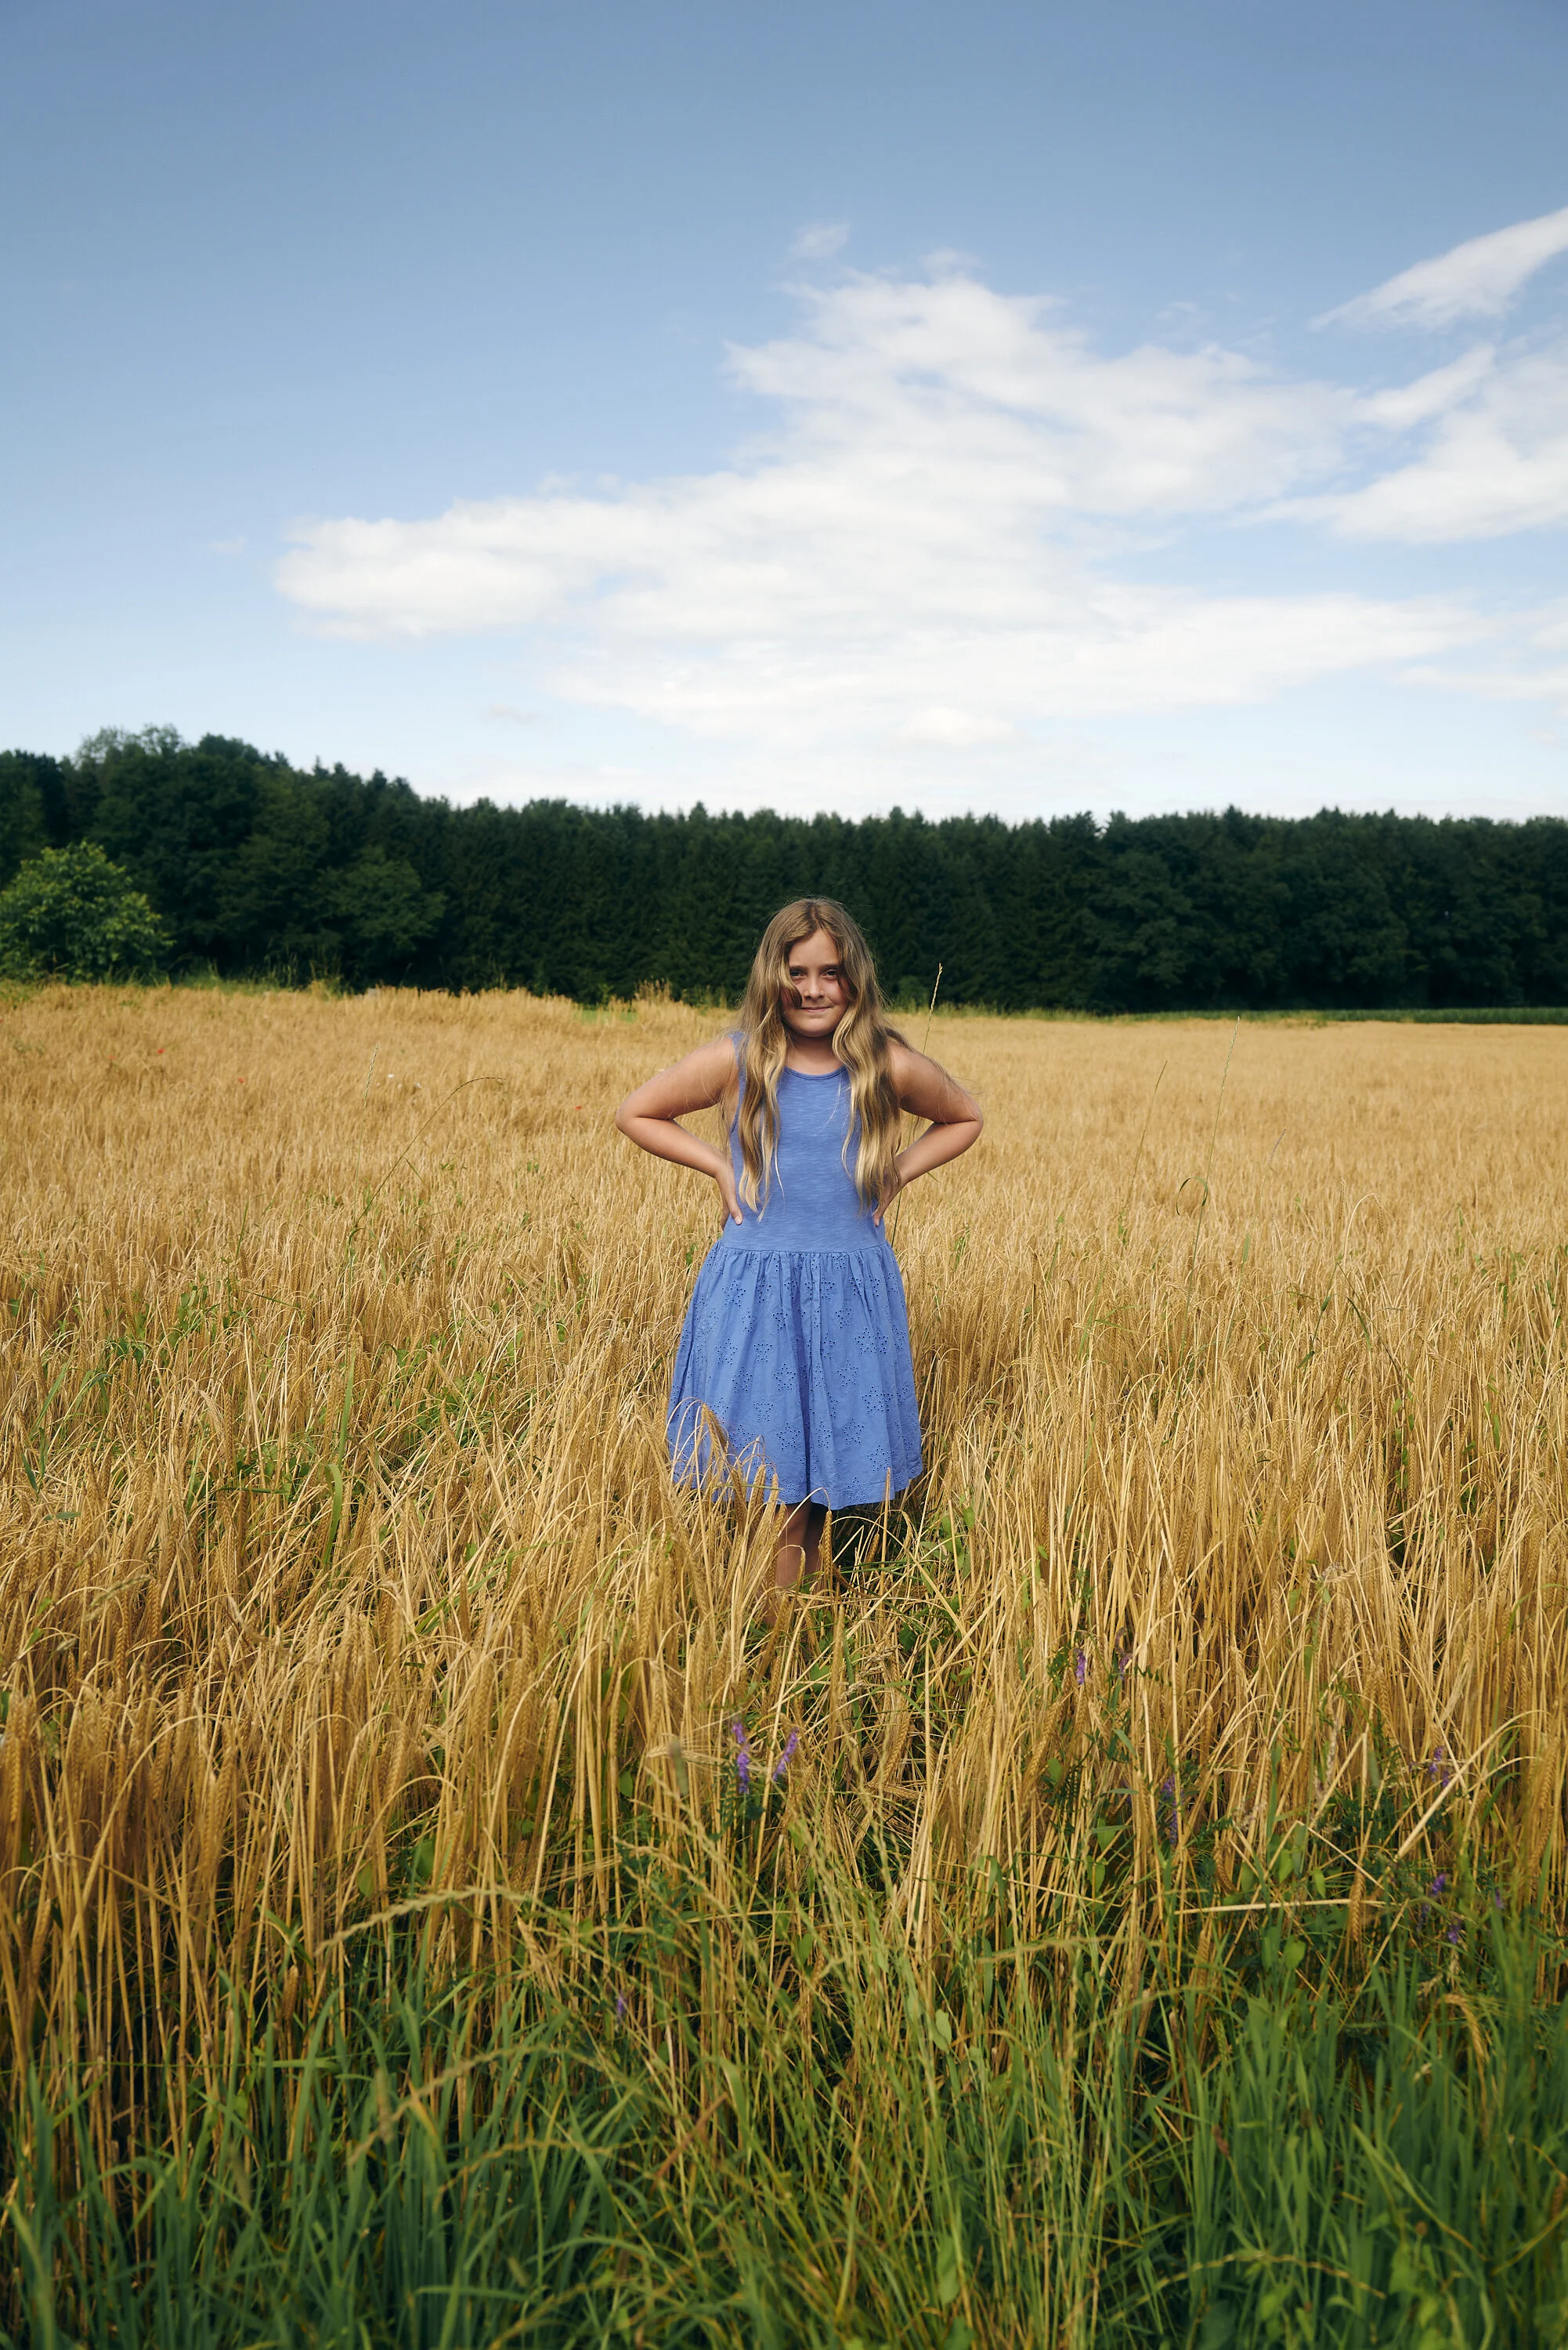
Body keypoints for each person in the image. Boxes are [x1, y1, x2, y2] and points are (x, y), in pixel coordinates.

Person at [615, 898, 982, 1608]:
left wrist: (897, 1172)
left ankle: (801, 1607)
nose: (814, 990)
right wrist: (719, 1167)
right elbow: (638, 1112)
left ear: (855, 980)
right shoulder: (740, 1058)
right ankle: (790, 1614)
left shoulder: (885, 1063)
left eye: (832, 974)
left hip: (848, 1287)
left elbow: (963, 1117)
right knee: (776, 1459)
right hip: (758, 1287)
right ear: (773, 976)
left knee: (825, 1457)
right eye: (799, 973)